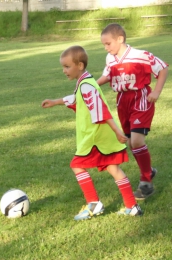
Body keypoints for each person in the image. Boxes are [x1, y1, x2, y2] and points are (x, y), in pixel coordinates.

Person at [41, 45, 143, 220]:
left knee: (76, 165)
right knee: (113, 168)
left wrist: (118, 132)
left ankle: (94, 204)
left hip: (95, 138)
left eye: (67, 66)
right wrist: (55, 102)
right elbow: (76, 100)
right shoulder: (85, 81)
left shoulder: (87, 85)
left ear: (79, 65)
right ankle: (132, 206)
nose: (64, 70)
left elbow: (101, 110)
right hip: (102, 137)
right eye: (63, 67)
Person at [97, 23, 169, 200]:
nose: (106, 48)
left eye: (108, 44)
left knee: (136, 142)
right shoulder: (110, 59)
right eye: (104, 45)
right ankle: (148, 170)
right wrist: (90, 85)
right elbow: (108, 75)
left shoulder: (141, 55)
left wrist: (157, 91)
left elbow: (163, 68)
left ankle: (146, 183)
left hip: (141, 98)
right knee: (132, 143)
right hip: (122, 101)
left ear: (120, 39)